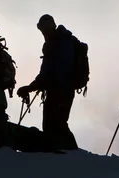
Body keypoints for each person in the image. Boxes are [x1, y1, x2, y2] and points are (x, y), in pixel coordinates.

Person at [16, 14, 78, 150]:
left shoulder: (57, 43)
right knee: (57, 123)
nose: (42, 32)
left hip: (59, 90)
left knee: (55, 123)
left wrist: (32, 87)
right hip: (62, 89)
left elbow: (50, 71)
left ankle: (69, 153)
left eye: (43, 29)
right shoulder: (61, 41)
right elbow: (48, 72)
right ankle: (68, 153)